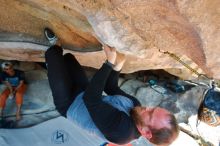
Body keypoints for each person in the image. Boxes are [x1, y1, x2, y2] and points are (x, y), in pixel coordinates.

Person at [44, 28, 179, 146]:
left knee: (53, 54)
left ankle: (53, 51)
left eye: (149, 114)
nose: (147, 108)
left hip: (69, 105)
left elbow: (90, 99)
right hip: (85, 90)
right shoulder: (136, 108)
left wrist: (109, 63)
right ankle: (55, 61)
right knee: (68, 59)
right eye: (153, 108)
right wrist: (118, 66)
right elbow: (111, 88)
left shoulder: (122, 132)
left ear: (147, 133)